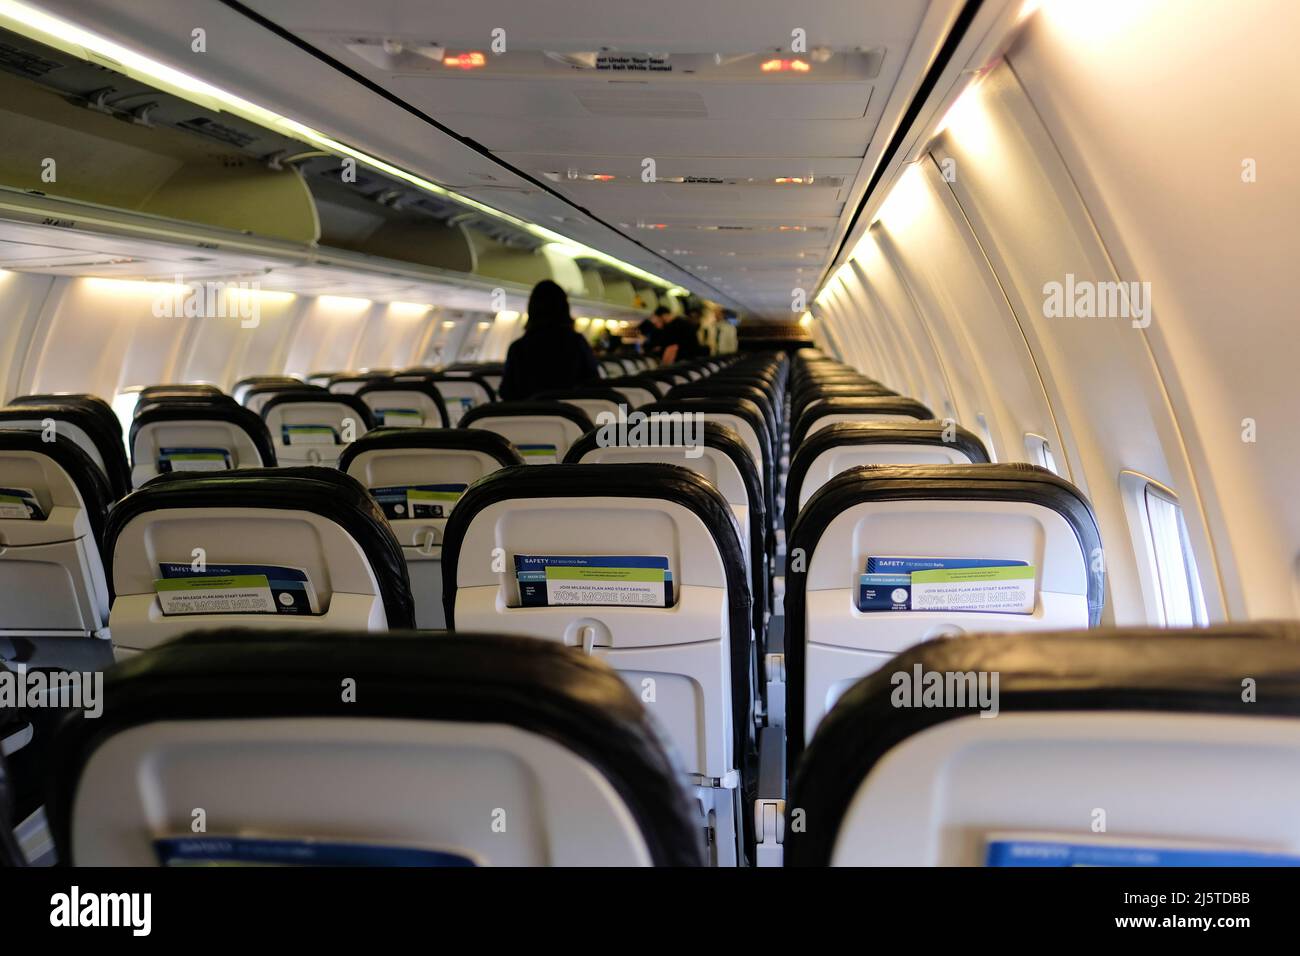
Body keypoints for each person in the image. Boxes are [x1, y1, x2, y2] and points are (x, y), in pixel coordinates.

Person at [498, 280, 600, 399]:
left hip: (527, 415)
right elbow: (593, 384)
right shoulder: (577, 343)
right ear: (565, 309)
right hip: (572, 415)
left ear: (531, 309)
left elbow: (506, 392)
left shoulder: (517, 348)